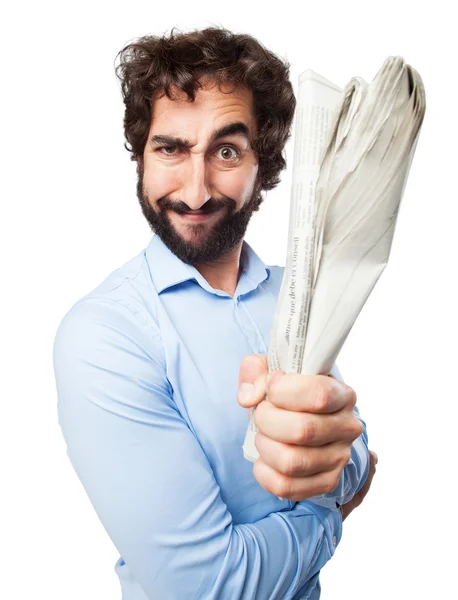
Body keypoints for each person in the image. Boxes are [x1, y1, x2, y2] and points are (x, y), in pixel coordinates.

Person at [53, 26, 377, 600]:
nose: (196, 191)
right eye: (171, 148)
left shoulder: (291, 290)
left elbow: (348, 443)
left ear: (264, 166)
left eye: (226, 151)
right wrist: (332, 511)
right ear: (141, 156)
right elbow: (204, 587)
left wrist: (343, 464)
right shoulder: (105, 335)